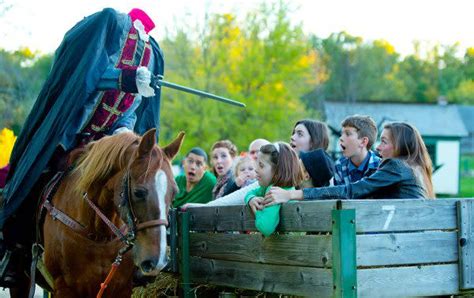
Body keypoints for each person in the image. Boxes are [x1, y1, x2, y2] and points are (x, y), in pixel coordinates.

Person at [0, 7, 164, 287]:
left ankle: (137, 258)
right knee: (31, 182)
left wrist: (123, 132)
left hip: (102, 148)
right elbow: (83, 80)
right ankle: (16, 255)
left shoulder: (148, 55)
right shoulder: (108, 30)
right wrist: (121, 78)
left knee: (139, 188)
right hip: (67, 138)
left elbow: (128, 110)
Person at [264, 122, 435, 203]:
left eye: (384, 142)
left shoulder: (397, 166)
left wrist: (291, 195)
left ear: (399, 146)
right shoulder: (412, 168)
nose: (378, 148)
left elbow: (352, 191)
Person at [245, 142, 303, 237]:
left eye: (261, 165)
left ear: (277, 172)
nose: (256, 169)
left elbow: (265, 227)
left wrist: (257, 211)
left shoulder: (274, 192)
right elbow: (252, 192)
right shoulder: (272, 187)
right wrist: (251, 199)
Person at [334, 115, 381, 186]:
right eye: (341, 134)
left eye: (347, 134)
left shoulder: (380, 166)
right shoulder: (339, 165)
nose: (341, 138)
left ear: (363, 142)